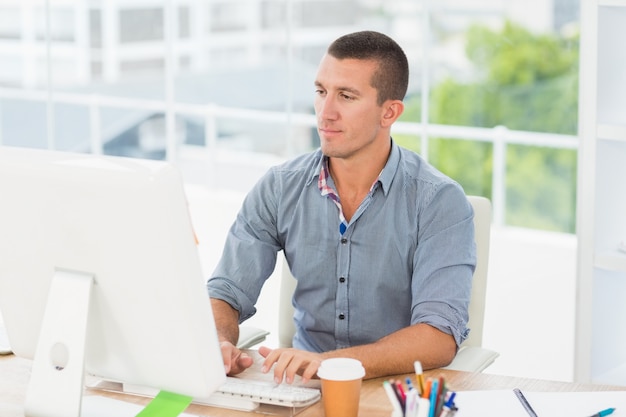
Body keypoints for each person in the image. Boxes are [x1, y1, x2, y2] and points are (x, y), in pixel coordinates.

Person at [207, 30, 475, 384]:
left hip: (392, 387)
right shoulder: (279, 186)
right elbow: (225, 291)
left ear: (389, 112)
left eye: (346, 96)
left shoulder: (438, 200)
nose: (325, 112)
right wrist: (219, 340)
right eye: (321, 92)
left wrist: (330, 364)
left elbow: (438, 337)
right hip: (300, 385)